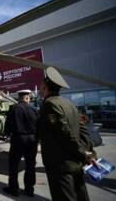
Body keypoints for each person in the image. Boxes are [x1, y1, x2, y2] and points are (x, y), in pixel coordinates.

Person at [38, 67, 96, 201]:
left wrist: (83, 154)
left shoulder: (49, 104)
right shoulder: (69, 104)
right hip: (76, 164)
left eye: (41, 85)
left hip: (60, 166)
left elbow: (64, 134)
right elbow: (84, 131)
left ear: (46, 87)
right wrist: (88, 152)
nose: (39, 88)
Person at [3, 89, 38, 197]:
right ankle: (29, 189)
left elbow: (8, 124)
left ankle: (13, 189)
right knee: (30, 165)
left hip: (18, 139)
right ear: (27, 98)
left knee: (13, 164)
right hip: (32, 139)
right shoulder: (33, 109)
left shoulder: (13, 108)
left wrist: (7, 135)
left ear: (19, 98)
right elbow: (38, 124)